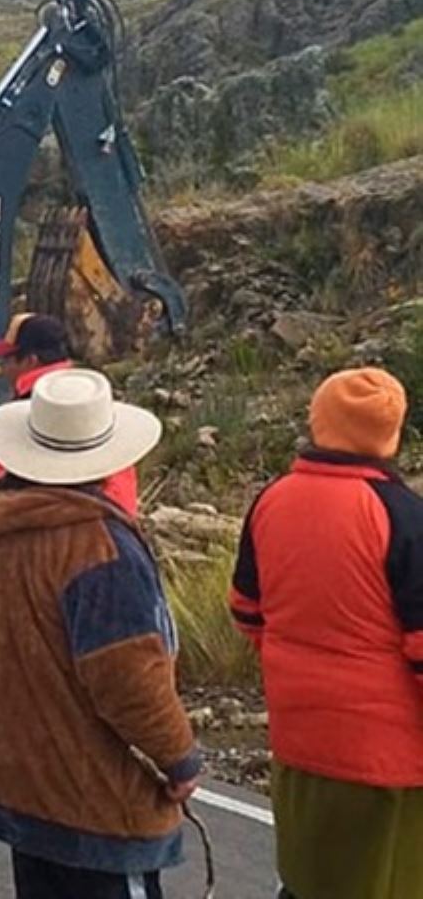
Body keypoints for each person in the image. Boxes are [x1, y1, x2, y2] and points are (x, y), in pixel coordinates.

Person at [0, 367, 199, 899]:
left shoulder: (0, 523)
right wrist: (180, 759)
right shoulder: (99, 546)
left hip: (25, 788)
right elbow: (128, 679)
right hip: (94, 801)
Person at [229, 368, 422, 899]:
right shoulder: (401, 515)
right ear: (392, 434)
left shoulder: (272, 501)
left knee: (308, 881)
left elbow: (247, 611)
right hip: (390, 763)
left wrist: (301, 674)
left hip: (299, 744)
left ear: (318, 420)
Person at [0, 313, 141, 517]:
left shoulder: (23, 417)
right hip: (118, 519)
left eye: (7, 359)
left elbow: (4, 496)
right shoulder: (92, 398)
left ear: (31, 360)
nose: (3, 368)